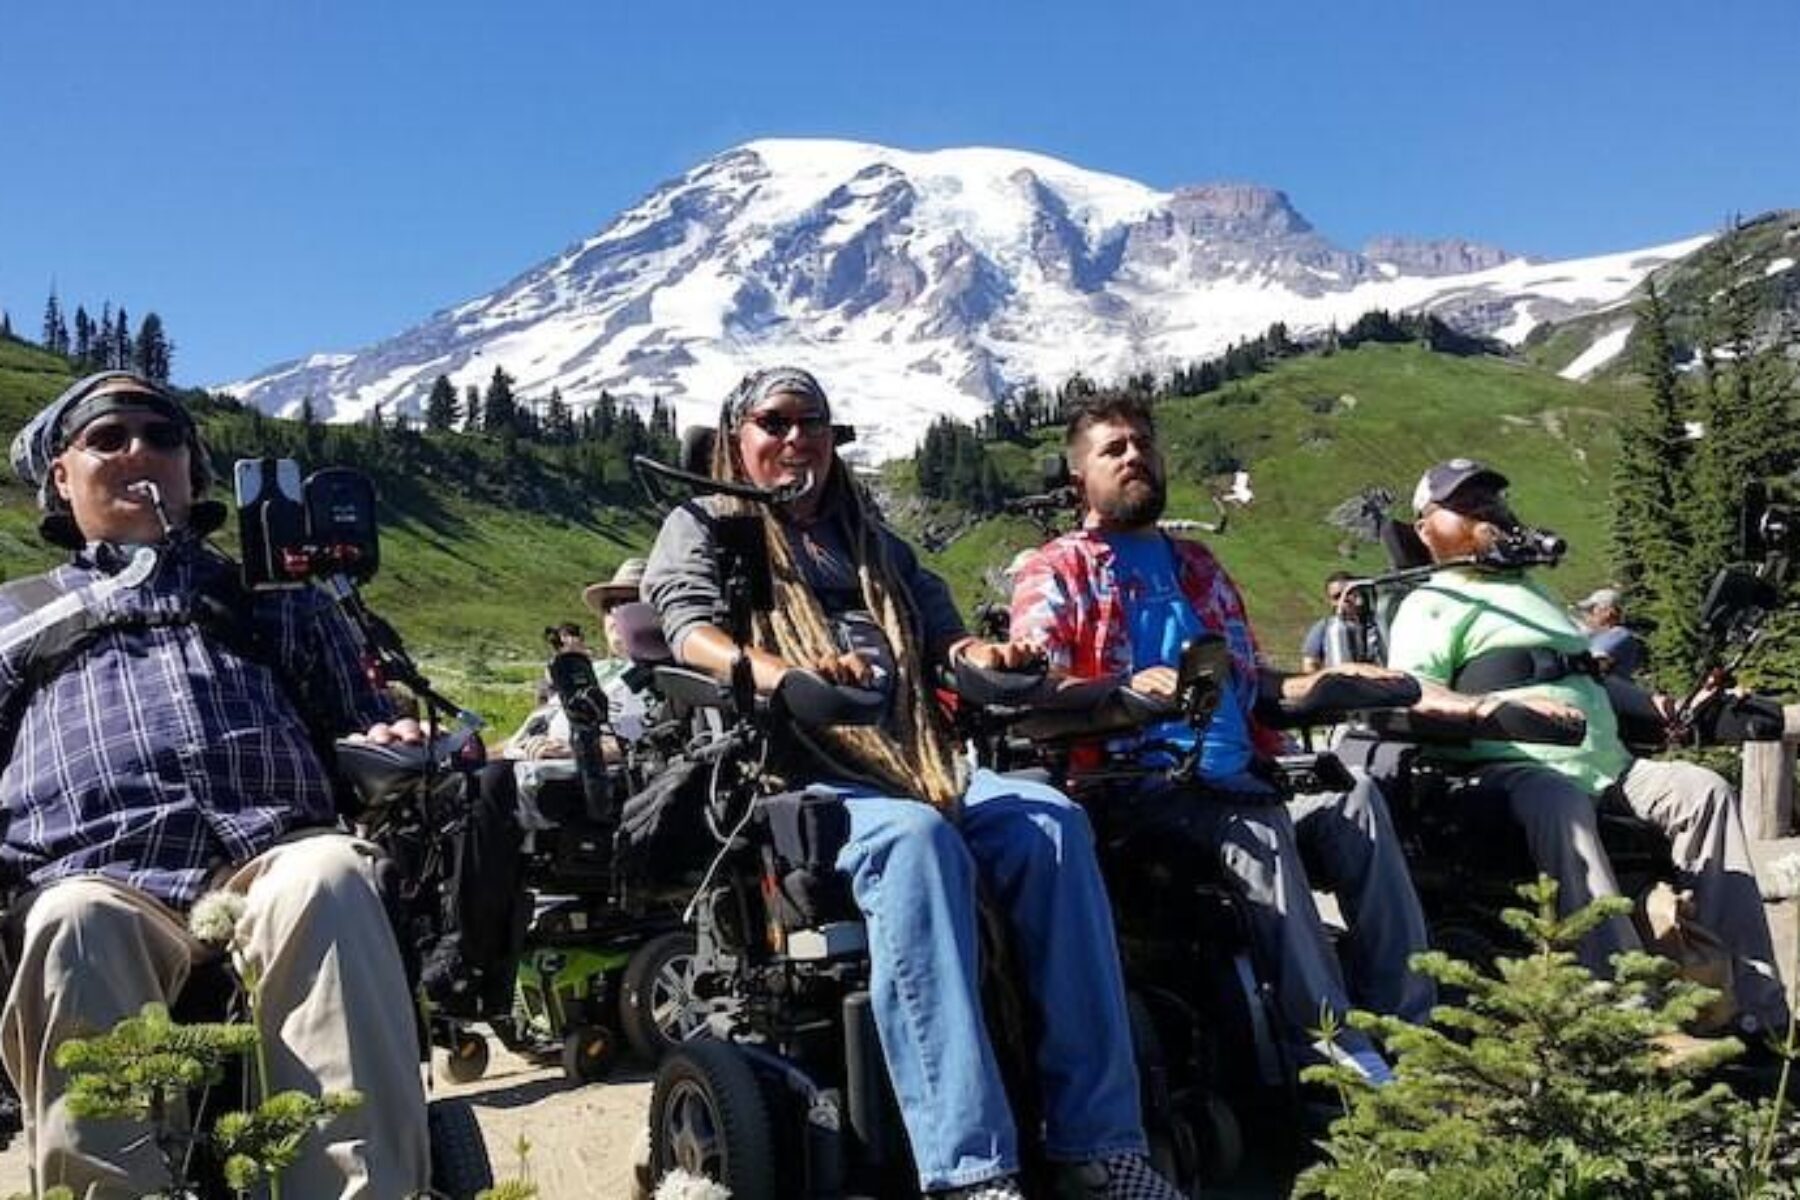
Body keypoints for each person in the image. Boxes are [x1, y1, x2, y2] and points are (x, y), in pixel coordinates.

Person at [642, 367, 1181, 1200]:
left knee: (1050, 822)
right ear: (735, 437)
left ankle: (1099, 1146)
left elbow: (944, 639)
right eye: (774, 422)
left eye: (812, 423)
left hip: (921, 760)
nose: (796, 438)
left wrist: (987, 655)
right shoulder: (707, 524)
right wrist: (786, 676)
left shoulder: (872, 540)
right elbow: (687, 630)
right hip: (803, 778)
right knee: (916, 841)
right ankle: (973, 1171)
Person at [0, 371, 429, 1198]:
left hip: (270, 857)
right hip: (97, 872)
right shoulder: (16, 617)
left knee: (331, 876)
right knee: (74, 922)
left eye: (163, 437)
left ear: (193, 475)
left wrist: (391, 734)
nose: (139, 451)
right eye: (108, 437)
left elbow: (365, 717)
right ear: (61, 476)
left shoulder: (274, 597)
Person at [1009, 392, 1434, 1082]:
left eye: (1143, 444)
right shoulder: (1059, 568)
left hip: (1241, 770)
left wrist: (1334, 681)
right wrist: (1121, 692)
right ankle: (1327, 1053)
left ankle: (1410, 1024)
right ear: (1080, 476)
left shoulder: (1197, 565)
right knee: (1256, 822)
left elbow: (1253, 684)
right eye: (1114, 449)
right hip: (1134, 787)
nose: (1135, 456)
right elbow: (1035, 690)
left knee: (1353, 796)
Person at [1384, 457, 1790, 1041]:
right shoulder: (1429, 603)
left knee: (1701, 789)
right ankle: (1633, 1018)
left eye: (1490, 501)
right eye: (1465, 505)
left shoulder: (1533, 591)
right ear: (1425, 528)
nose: (1486, 512)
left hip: (1606, 767)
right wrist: (1493, 711)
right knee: (1559, 802)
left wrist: (1675, 708)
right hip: (1508, 770)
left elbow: (1586, 679)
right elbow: (1414, 694)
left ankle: (1756, 1009)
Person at [1300, 570, 1383, 671]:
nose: (1344, 599)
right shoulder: (1324, 628)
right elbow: (1310, 663)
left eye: (1348, 593)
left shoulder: (1380, 623)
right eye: (1337, 597)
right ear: (1331, 602)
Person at [1574, 586, 1647, 680]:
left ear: (1608, 613)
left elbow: (1593, 663)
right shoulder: (1599, 634)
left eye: (1591, 610)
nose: (1586, 615)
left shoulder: (1619, 634)